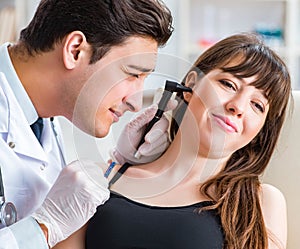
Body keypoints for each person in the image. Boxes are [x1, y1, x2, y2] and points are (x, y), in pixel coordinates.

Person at [53, 32, 292, 249]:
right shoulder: (102, 182)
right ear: (190, 84)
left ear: (261, 131)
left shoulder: (259, 204)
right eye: (229, 84)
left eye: (257, 105)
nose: (237, 106)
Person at [0, 0, 174, 248]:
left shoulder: (42, 118)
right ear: (75, 51)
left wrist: (120, 164)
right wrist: (45, 227)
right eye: (132, 73)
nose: (136, 102)